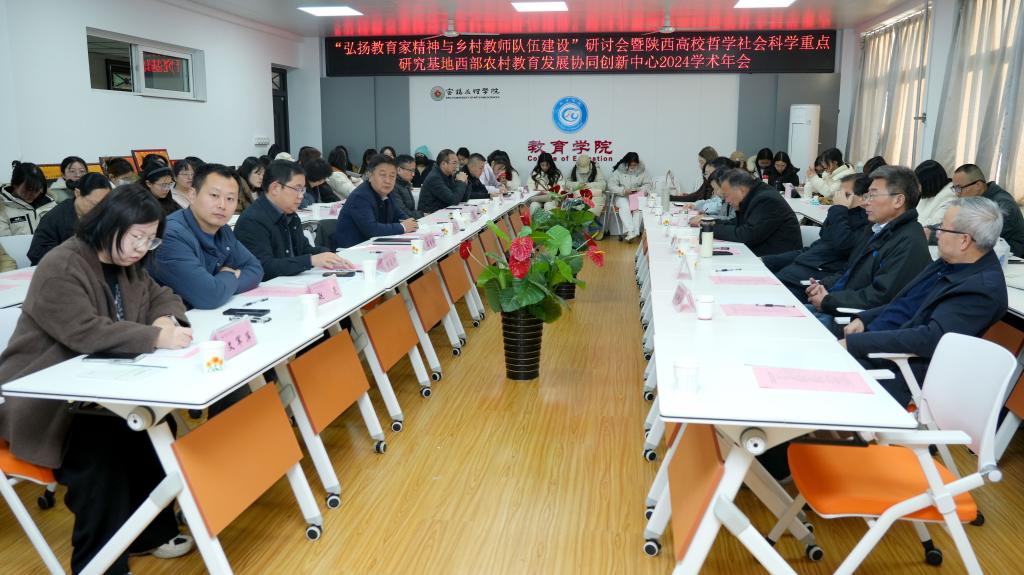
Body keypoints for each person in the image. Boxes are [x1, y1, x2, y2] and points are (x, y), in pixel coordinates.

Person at [0, 185, 196, 574]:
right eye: (136, 236)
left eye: (150, 239)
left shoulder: (129, 264)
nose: (142, 247)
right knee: (102, 451)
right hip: (47, 401)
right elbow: (84, 331)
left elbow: (163, 295)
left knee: (155, 426)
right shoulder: (62, 264)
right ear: (108, 224)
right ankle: (98, 564)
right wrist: (155, 337)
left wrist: (163, 318)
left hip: (101, 389)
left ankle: (148, 533)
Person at [842, 197, 1008, 406]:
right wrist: (865, 319)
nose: (936, 234)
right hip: (874, 345)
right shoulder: (949, 263)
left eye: (942, 228)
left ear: (964, 240)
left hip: (896, 371)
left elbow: (928, 339)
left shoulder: (980, 289)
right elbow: (905, 302)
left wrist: (857, 344)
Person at [805, 165, 932, 322]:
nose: (865, 202)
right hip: (838, 303)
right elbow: (849, 272)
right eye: (866, 196)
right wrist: (822, 286)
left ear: (898, 200)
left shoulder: (909, 242)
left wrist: (828, 301)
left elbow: (880, 297)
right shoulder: (875, 229)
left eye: (872, 195)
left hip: (857, 320)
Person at [150, 164, 262, 309]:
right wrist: (230, 275)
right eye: (214, 195)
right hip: (174, 319)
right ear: (192, 195)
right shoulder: (170, 235)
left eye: (230, 198)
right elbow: (210, 296)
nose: (222, 205)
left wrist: (219, 285)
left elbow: (255, 269)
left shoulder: (222, 229)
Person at [235, 160, 354, 280]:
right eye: (297, 189)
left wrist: (330, 255)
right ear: (275, 188)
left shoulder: (290, 215)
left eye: (303, 190)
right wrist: (310, 260)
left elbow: (303, 249)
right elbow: (265, 268)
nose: (301, 196)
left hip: (291, 281)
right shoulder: (252, 221)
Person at [764, 174, 871, 298]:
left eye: (846, 195)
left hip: (816, 280)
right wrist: (767, 261)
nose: (840, 199)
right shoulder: (843, 214)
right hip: (802, 267)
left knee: (766, 291)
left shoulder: (865, 223)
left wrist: (839, 209)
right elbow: (815, 248)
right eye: (839, 194)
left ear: (864, 198)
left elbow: (843, 245)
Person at [711, 169, 802, 256]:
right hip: (761, 253)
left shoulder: (766, 200)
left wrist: (711, 229)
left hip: (777, 260)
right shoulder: (754, 194)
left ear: (741, 190)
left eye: (727, 195)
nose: (726, 201)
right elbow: (739, 223)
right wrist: (711, 223)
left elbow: (746, 236)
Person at [335, 154, 419, 248]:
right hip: (351, 250)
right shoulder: (360, 196)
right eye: (383, 175)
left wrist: (409, 223)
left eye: (392, 176)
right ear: (370, 176)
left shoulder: (388, 193)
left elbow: (400, 216)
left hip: (375, 246)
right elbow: (372, 230)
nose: (388, 181)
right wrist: (403, 227)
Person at [28, 173, 112, 265]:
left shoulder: (106, 213)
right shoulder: (54, 217)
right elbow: (36, 252)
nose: (99, 210)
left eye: (104, 205)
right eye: (94, 204)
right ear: (78, 193)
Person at [944, 163, 1024, 256]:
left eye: (959, 188)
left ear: (978, 185)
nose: (957, 194)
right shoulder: (975, 200)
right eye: (955, 189)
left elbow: (977, 236)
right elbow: (955, 223)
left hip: (1009, 259)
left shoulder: (1003, 205)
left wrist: (939, 234)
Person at [607, 152, 654, 242]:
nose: (633, 167)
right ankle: (631, 231)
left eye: (635, 165)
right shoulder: (619, 171)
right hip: (622, 196)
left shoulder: (642, 171)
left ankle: (633, 232)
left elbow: (648, 185)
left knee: (638, 207)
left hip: (636, 195)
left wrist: (639, 189)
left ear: (637, 163)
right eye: (631, 165)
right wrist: (623, 190)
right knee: (625, 206)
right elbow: (611, 185)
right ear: (626, 163)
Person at [1, 161, 57, 236]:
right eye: (28, 189)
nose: (32, 194)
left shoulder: (51, 205)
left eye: (37, 190)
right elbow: (4, 240)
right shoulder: (2, 208)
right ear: (15, 184)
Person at [418, 149, 467, 214]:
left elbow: (462, 198)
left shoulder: (448, 175)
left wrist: (465, 182)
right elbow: (453, 200)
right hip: (429, 215)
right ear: (443, 164)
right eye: (454, 163)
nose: (457, 167)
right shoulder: (434, 178)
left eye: (457, 163)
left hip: (442, 212)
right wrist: (461, 182)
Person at [914, 160, 957, 227]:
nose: (915, 187)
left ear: (929, 184)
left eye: (918, 183)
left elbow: (933, 225)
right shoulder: (928, 192)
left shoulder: (950, 198)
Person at [392, 154, 424, 219]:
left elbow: (411, 209)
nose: (413, 174)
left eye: (414, 171)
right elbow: (402, 212)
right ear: (399, 170)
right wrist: (422, 214)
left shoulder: (405, 183)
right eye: (411, 171)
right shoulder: (393, 186)